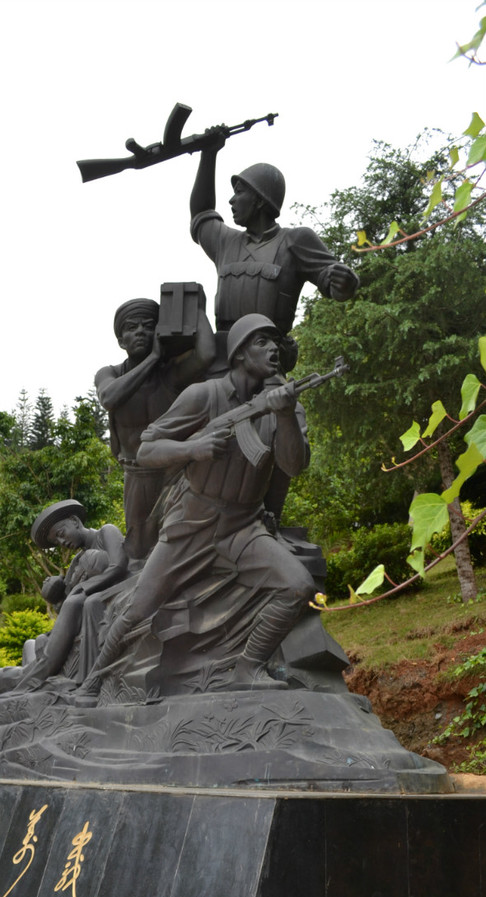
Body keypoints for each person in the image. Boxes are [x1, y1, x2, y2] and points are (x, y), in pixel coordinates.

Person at [79, 313, 315, 697]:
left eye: (275, 342)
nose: (273, 348)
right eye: (261, 342)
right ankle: (90, 684)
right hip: (193, 522)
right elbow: (147, 447)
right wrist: (193, 448)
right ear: (239, 353)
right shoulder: (203, 395)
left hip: (244, 527)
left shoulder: (285, 403)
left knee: (297, 585)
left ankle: (248, 669)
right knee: (139, 608)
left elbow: (294, 465)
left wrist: (286, 415)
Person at [189, 134, 359, 373]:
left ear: (259, 200)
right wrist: (209, 153)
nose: (231, 200)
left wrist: (344, 283)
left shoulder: (295, 240)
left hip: (268, 363)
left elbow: (333, 283)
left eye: (239, 192)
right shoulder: (224, 242)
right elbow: (201, 212)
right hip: (222, 363)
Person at [95, 295, 215, 559]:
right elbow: (109, 398)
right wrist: (153, 358)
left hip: (175, 471)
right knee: (139, 546)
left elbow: (206, 354)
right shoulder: (110, 374)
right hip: (137, 473)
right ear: (120, 340)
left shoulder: (170, 375)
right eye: (131, 327)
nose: (140, 331)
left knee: (179, 540)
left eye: (148, 325)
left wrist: (194, 307)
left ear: (158, 332)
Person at [10, 499, 128, 691]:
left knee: (81, 603)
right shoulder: (76, 562)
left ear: (74, 520)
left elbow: (118, 565)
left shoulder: (106, 532)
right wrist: (54, 594)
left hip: (108, 603)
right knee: (33, 644)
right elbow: (65, 607)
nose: (62, 542)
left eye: (61, 534)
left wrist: (82, 589)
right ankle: (21, 686)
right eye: (57, 542)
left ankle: (21, 685)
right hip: (76, 621)